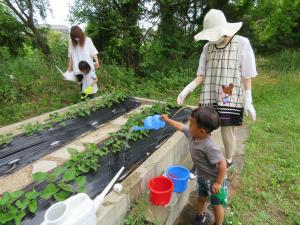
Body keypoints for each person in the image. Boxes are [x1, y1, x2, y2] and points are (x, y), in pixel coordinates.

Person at [177, 9, 257, 169]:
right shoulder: (208, 47)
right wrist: (188, 88)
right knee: (203, 129)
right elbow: (202, 74)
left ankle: (228, 160)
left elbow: (247, 74)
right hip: (209, 95)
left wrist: (248, 100)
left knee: (228, 131)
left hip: (230, 96)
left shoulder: (242, 43)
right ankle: (203, 158)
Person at [161, 107, 227, 225]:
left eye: (191, 124)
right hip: (202, 177)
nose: (188, 125)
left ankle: (218, 223)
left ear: (202, 131)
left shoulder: (209, 146)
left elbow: (222, 163)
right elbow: (180, 126)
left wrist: (218, 183)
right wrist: (167, 120)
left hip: (214, 181)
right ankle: (199, 215)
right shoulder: (192, 134)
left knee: (217, 205)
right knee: (201, 198)